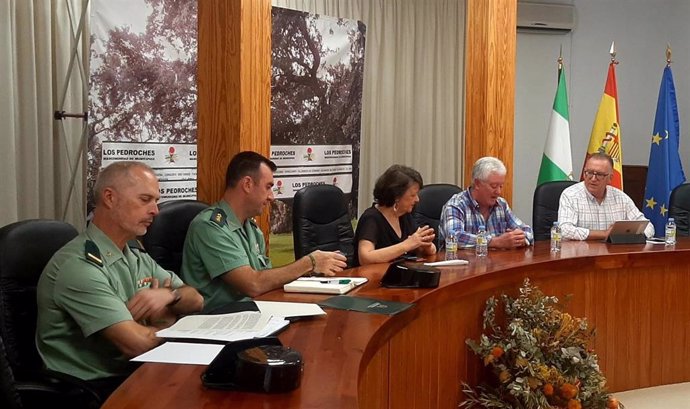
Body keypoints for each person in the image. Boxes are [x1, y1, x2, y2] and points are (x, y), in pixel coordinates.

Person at [36, 161, 204, 400]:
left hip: (136, 374)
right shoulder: (80, 266)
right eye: (145, 200)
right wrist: (168, 323)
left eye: (156, 200)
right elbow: (137, 344)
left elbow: (196, 299)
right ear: (110, 198)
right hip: (91, 389)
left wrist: (170, 295)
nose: (156, 210)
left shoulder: (133, 253)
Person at [181, 151, 347, 313]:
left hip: (252, 313)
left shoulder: (252, 229)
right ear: (247, 184)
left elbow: (266, 279)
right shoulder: (210, 227)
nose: (271, 197)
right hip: (217, 323)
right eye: (268, 187)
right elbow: (253, 284)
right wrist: (309, 263)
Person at [439, 156, 533, 249]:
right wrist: (495, 242)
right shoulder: (456, 205)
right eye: (494, 186)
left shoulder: (501, 204)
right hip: (464, 263)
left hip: (497, 263)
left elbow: (527, 230)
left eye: (501, 186)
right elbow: (454, 237)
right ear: (477, 184)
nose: (498, 192)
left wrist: (519, 239)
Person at [558, 153, 654, 240]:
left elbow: (648, 226)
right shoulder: (570, 195)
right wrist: (604, 234)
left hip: (613, 255)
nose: (593, 179)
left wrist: (630, 235)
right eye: (589, 173)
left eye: (599, 174)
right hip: (581, 255)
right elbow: (564, 230)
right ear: (584, 173)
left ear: (610, 178)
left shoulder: (620, 197)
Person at [354, 165, 436, 266]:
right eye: (412, 195)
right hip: (373, 278)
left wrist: (425, 245)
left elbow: (431, 250)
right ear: (396, 196)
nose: (417, 200)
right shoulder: (371, 218)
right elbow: (365, 258)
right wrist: (407, 245)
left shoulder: (404, 215)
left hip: (398, 275)